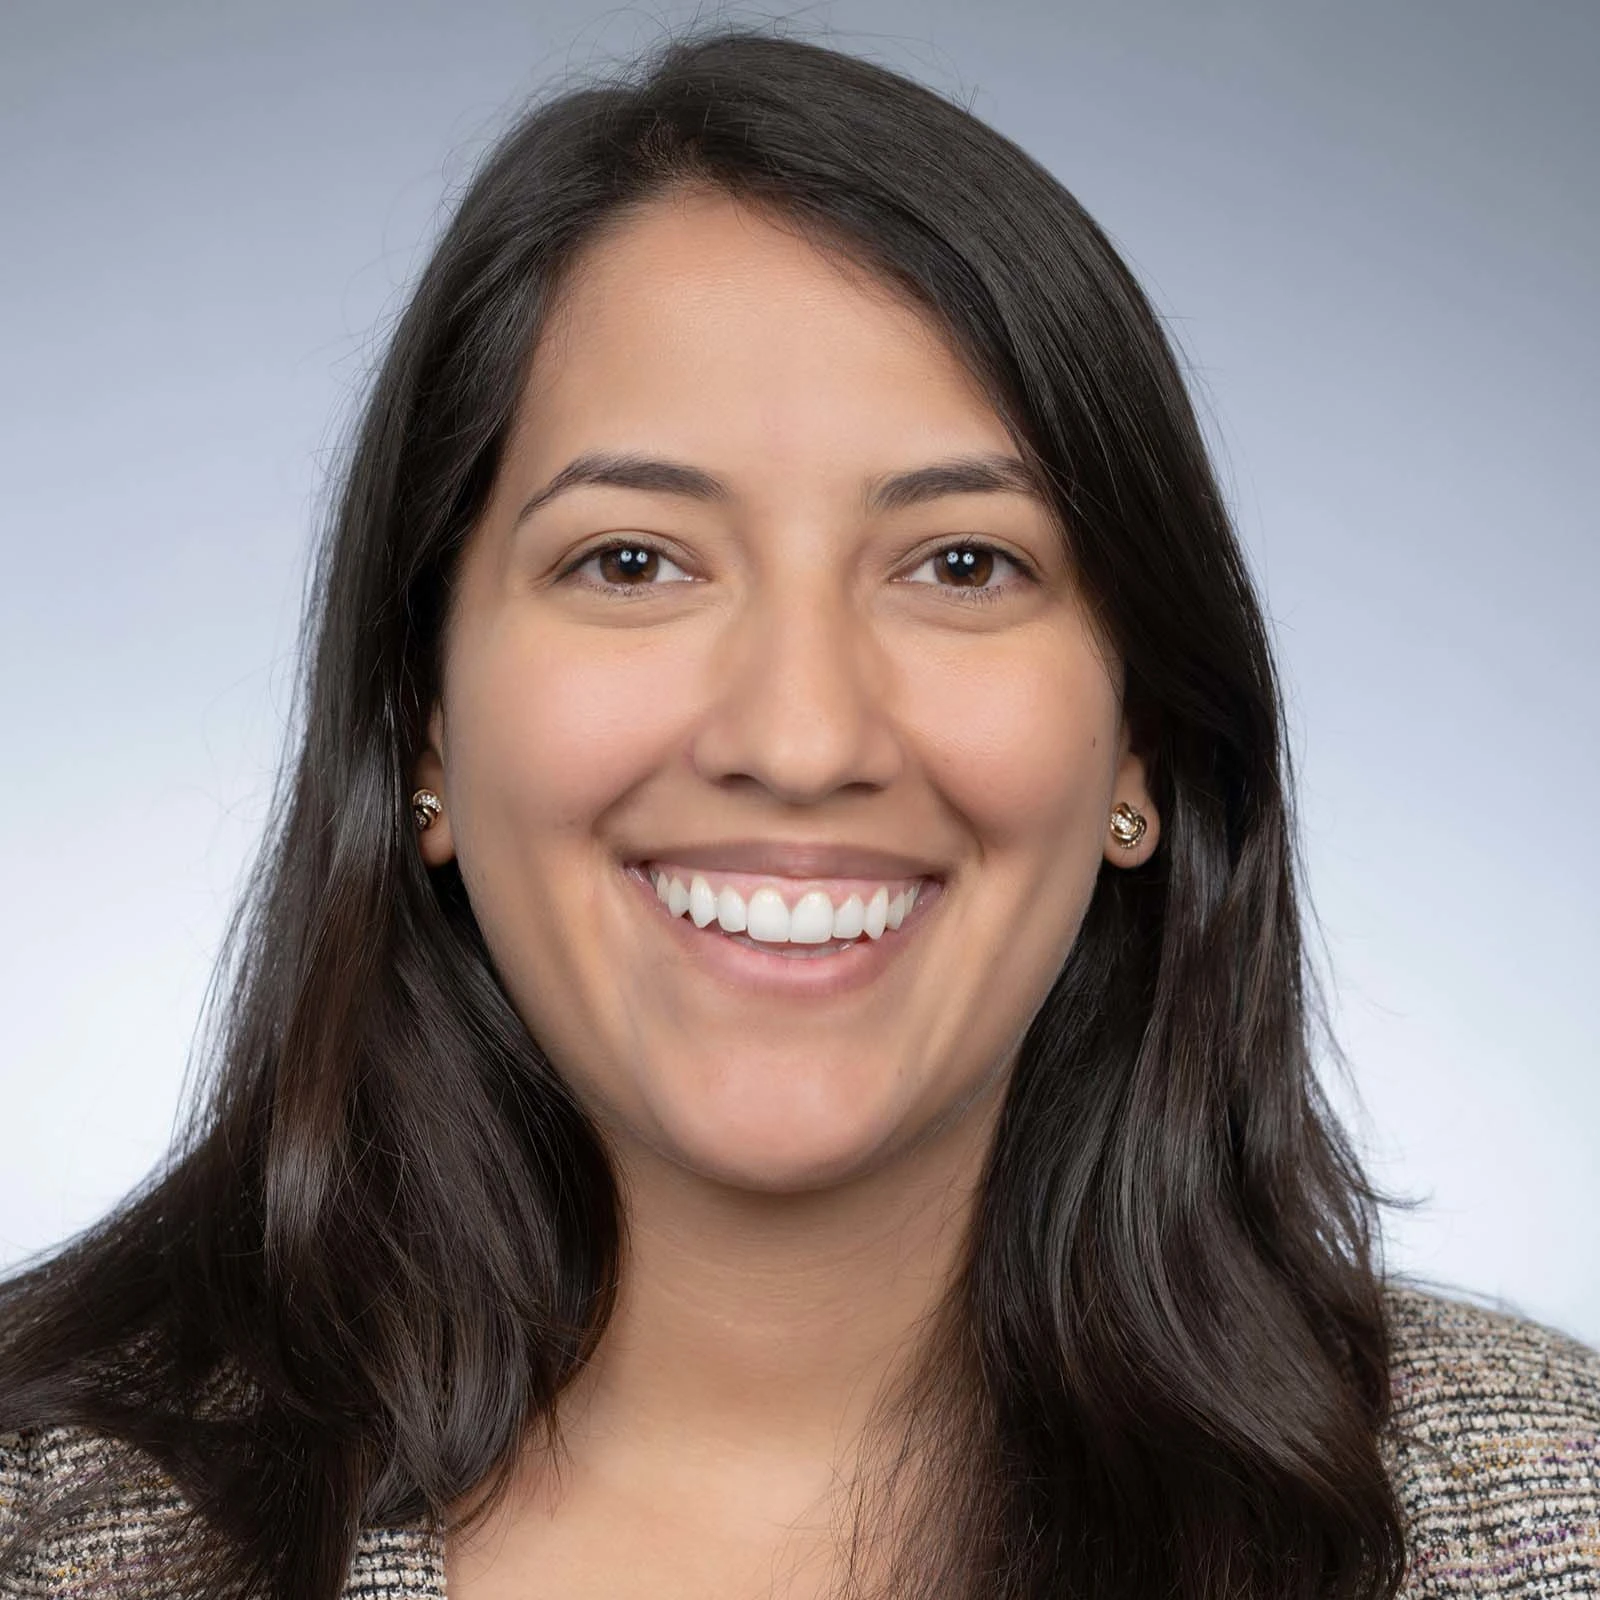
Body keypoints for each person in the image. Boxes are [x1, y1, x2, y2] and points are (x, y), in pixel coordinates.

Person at [2, 25, 1596, 1600]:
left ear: (1143, 752)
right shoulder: (45, 1530)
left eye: (962, 564)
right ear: (422, 724)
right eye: (632, 561)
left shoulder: (1542, 1512)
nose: (801, 735)